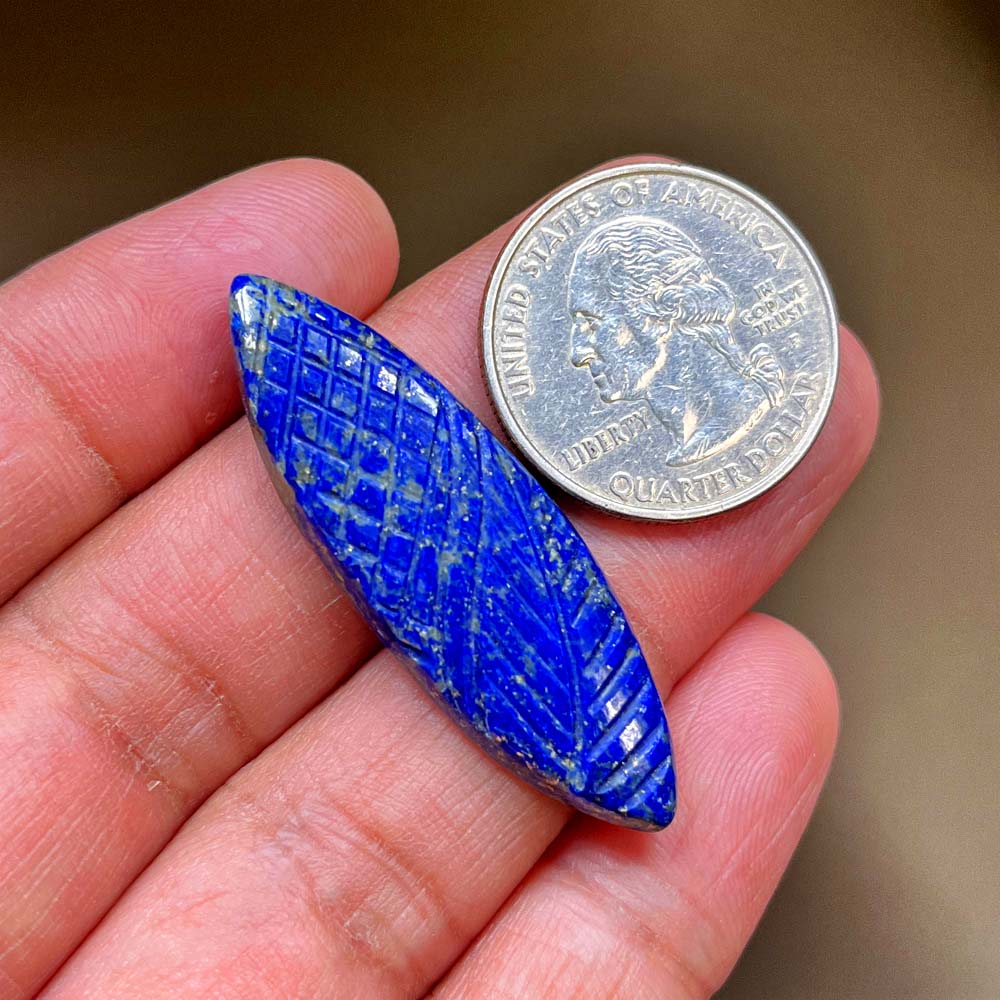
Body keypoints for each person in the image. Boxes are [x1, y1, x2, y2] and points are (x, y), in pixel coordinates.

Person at [0, 158, 877, 998]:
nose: (576, 351)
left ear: (663, 312)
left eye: (590, 321)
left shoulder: (329, 390)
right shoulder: (321, 385)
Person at [569, 217, 786, 465]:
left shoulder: (730, 422)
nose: (578, 354)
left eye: (592, 323)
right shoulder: (694, 440)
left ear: (659, 317)